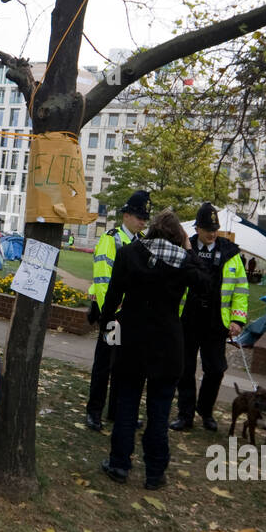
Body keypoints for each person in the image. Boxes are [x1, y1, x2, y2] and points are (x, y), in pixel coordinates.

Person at [97, 210, 207, 489]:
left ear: (153, 230)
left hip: (131, 341)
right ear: (178, 237)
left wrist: (109, 336)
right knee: (159, 412)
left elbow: (111, 300)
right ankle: (155, 472)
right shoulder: (183, 261)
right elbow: (206, 284)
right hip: (167, 345)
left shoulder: (129, 254)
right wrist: (190, 250)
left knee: (126, 406)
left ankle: (120, 464)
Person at [170, 202, 249, 432]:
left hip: (216, 321)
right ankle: (185, 415)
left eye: (215, 229)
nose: (212, 234)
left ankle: (204, 410)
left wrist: (238, 319)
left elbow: (241, 289)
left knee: (215, 369)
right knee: (184, 369)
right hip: (187, 319)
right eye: (207, 230)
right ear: (197, 229)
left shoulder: (230, 252)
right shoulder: (185, 247)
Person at [85, 190, 150, 432]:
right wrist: (110, 314)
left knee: (123, 367)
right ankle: (94, 412)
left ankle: (115, 412)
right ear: (126, 215)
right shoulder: (111, 239)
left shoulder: (142, 242)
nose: (142, 221)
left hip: (132, 318)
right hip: (114, 316)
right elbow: (103, 280)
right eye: (138, 216)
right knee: (104, 365)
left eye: (145, 217)